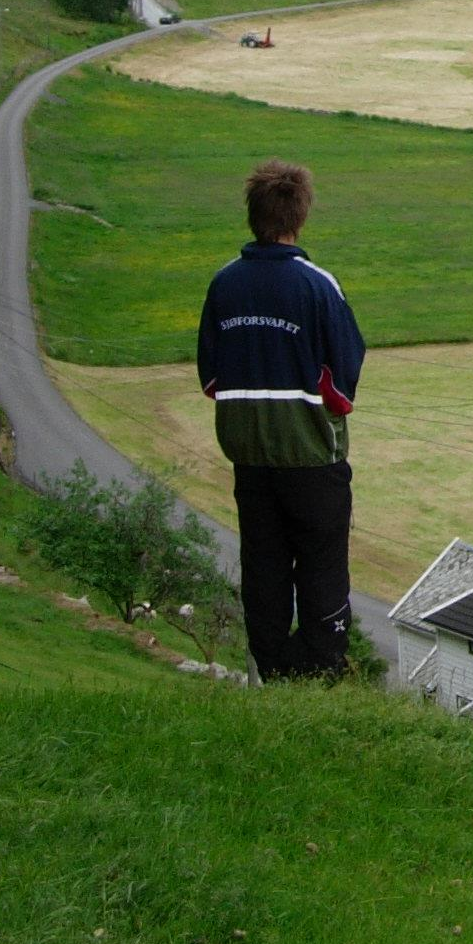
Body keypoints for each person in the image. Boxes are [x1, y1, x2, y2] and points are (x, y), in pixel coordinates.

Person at [196, 159, 365, 679]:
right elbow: (345, 373)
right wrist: (319, 403)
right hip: (312, 457)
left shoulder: (224, 284)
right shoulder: (317, 285)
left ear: (253, 216)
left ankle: (271, 668)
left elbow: (210, 377)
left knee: (264, 565)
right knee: (321, 566)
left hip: (249, 458)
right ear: (300, 217)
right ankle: (321, 669)